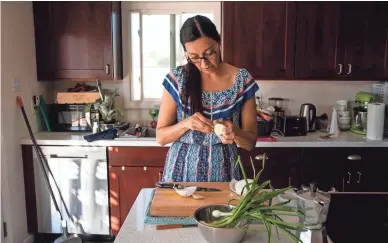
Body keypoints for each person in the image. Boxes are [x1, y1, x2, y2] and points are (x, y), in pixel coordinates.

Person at [156, 15, 259, 182]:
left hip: (225, 174)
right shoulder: (177, 78)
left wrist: (235, 132)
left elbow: (250, 142)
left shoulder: (242, 80)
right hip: (180, 174)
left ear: (218, 42)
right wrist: (186, 123)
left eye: (209, 53)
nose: (204, 64)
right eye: (194, 57)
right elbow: (161, 137)